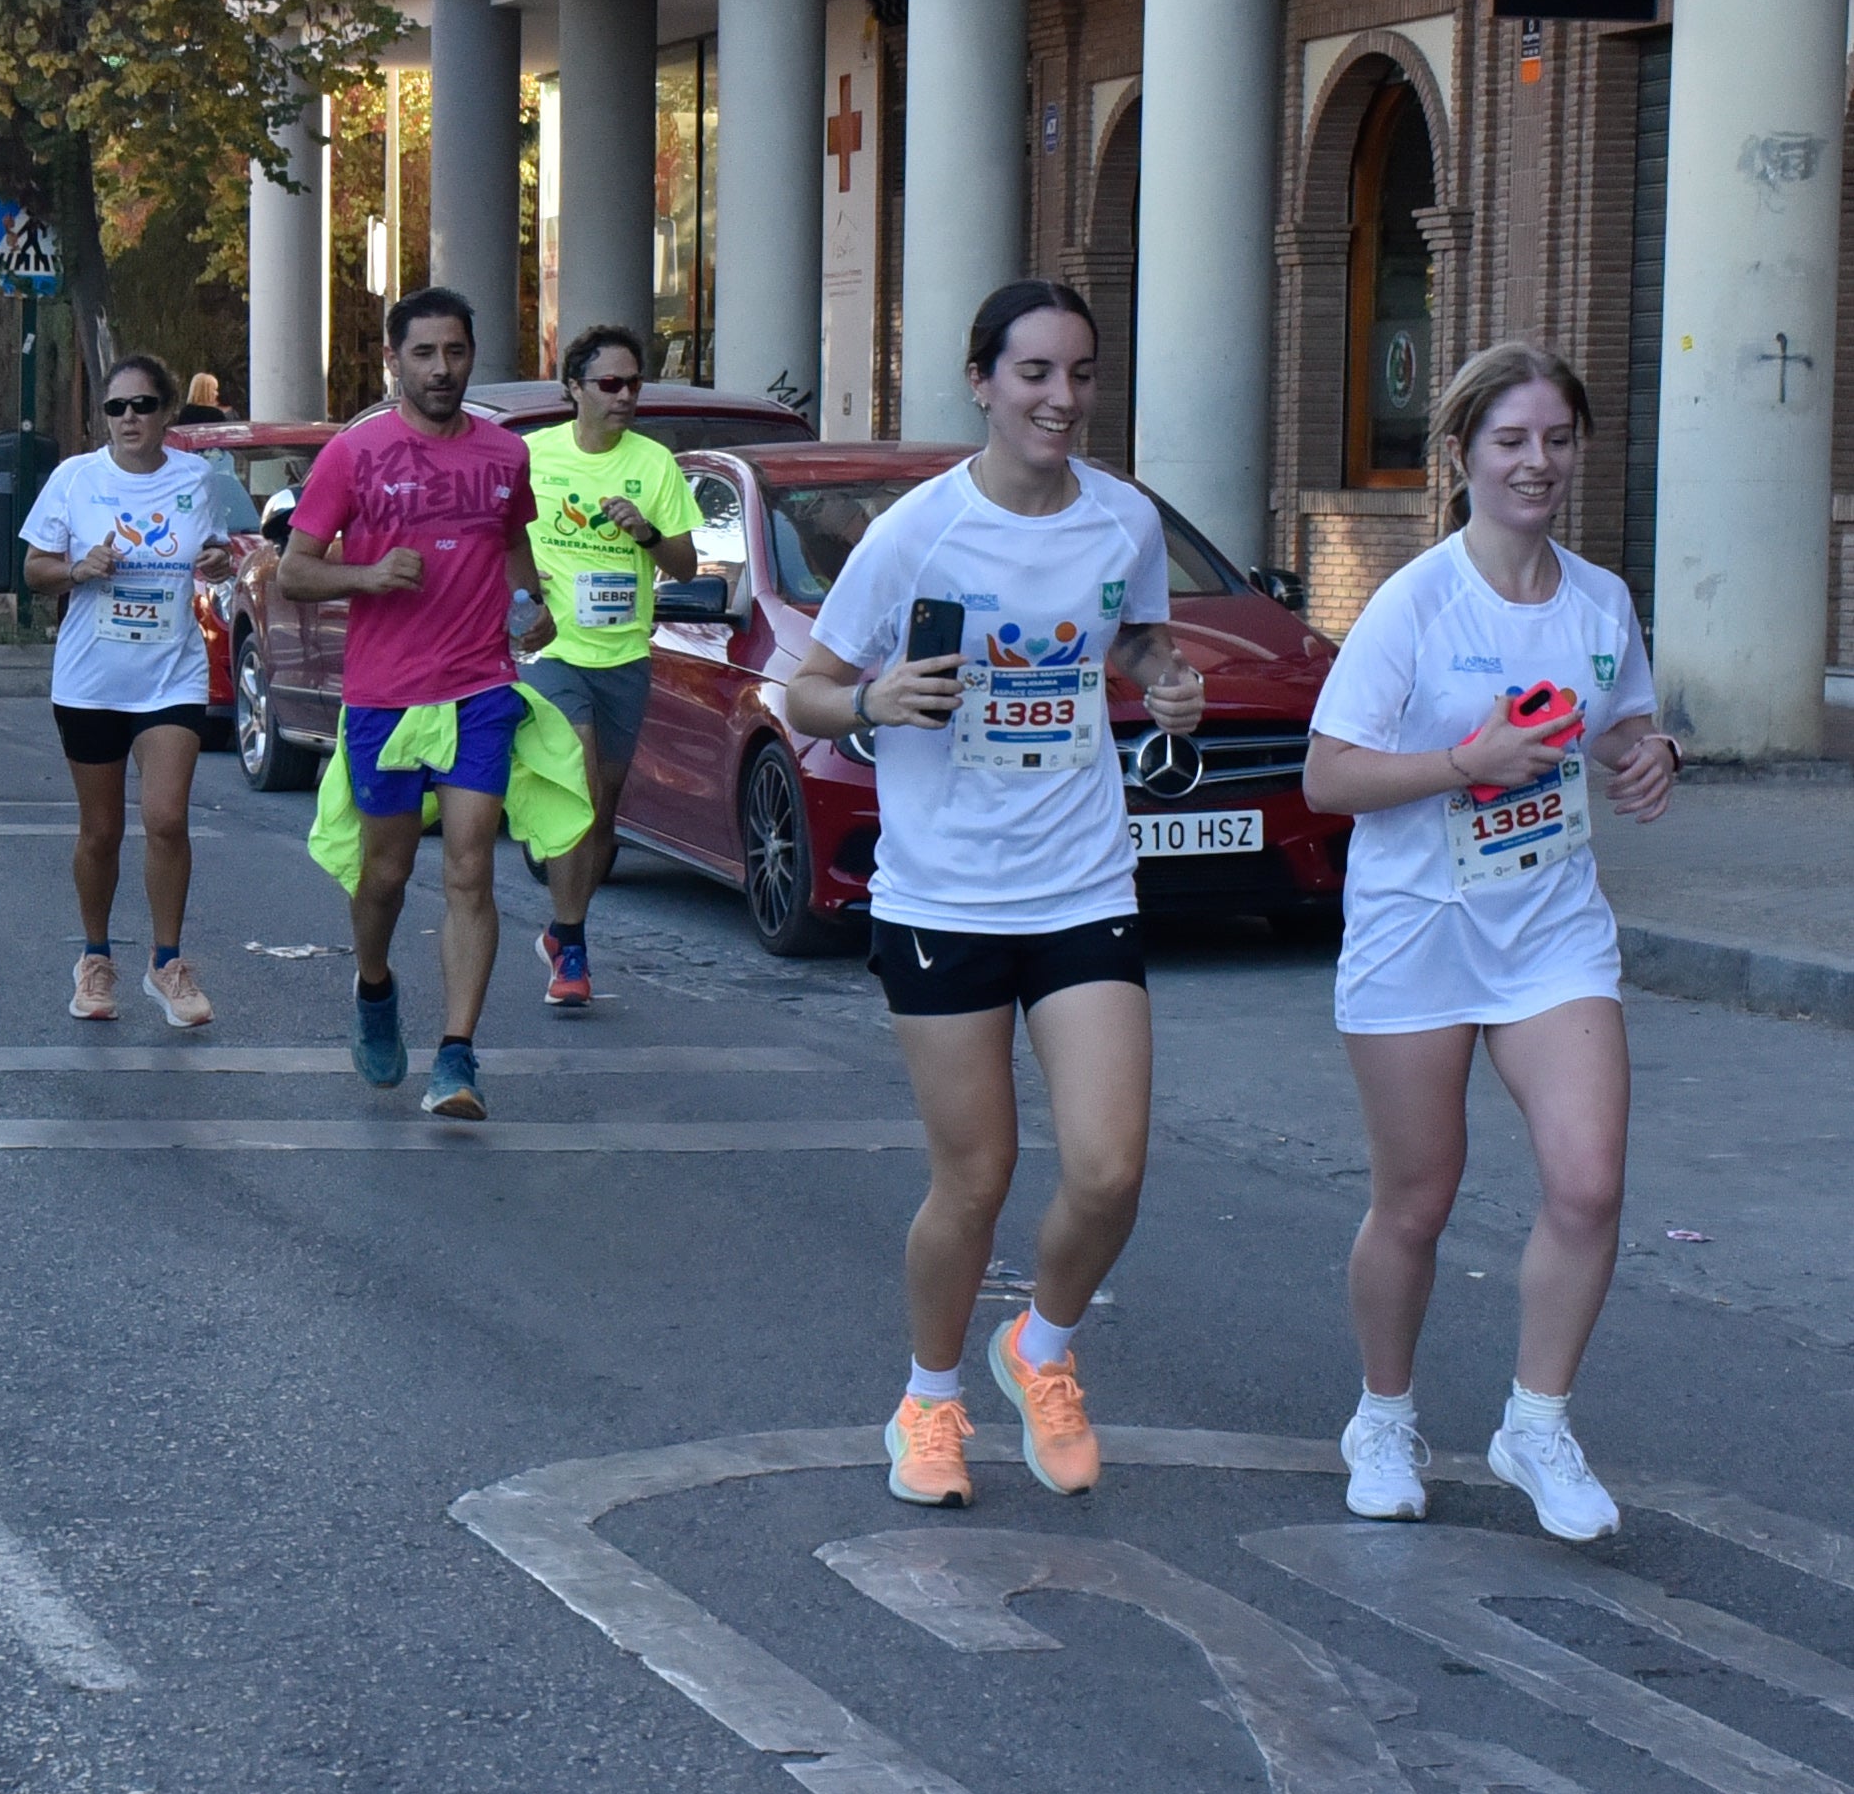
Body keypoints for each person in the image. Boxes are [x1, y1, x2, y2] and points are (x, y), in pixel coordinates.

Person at [785, 280, 1206, 1509]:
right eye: (1034, 373)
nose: (1061, 398)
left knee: (1110, 1169)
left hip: (1082, 880)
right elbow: (806, 687)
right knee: (975, 1179)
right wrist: (871, 701)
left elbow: (1135, 636)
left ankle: (1043, 1346)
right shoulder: (918, 534)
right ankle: (928, 1398)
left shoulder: (1124, 519)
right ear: (981, 382)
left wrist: (1166, 678)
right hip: (945, 898)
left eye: (1080, 373)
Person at [1302, 343, 1676, 1543]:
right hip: (1418, 928)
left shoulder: (1600, 601)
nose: (1537, 462)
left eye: (1557, 440)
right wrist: (1468, 762)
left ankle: (1537, 1423)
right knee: (1418, 1201)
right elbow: (1327, 777)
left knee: (1589, 1180)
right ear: (1462, 453)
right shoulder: (1417, 602)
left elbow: (1622, 722)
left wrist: (1649, 755)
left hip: (1551, 930)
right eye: (1512, 440)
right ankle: (1383, 1416)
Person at [278, 286, 549, 1119]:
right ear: (392, 360)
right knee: (386, 874)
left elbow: (513, 549)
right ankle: (373, 985)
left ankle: (457, 1056)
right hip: (386, 696)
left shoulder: (505, 455)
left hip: (480, 686)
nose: (441, 369)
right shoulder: (353, 454)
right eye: (424, 353)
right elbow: (294, 570)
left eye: (454, 352)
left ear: (472, 357)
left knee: (470, 864)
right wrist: (366, 574)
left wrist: (530, 610)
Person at [22, 352, 230, 1025]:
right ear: (103, 417)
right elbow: (32, 569)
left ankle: (167, 963)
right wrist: (76, 568)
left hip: (171, 674)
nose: (130, 418)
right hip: (91, 680)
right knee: (102, 830)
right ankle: (95, 957)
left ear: (167, 412)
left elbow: (218, 551)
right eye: (117, 407)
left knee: (166, 818)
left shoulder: (196, 477)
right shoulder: (75, 479)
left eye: (143, 405)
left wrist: (218, 558)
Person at [518, 324, 698, 1009]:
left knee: (602, 813)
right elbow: (497, 537)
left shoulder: (654, 464)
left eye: (633, 384)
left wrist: (645, 532)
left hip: (623, 653)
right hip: (552, 650)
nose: (624, 396)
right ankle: (573, 950)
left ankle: (563, 928)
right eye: (610, 384)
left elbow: (685, 566)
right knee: (580, 786)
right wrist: (521, 590)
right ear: (574, 388)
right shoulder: (532, 456)